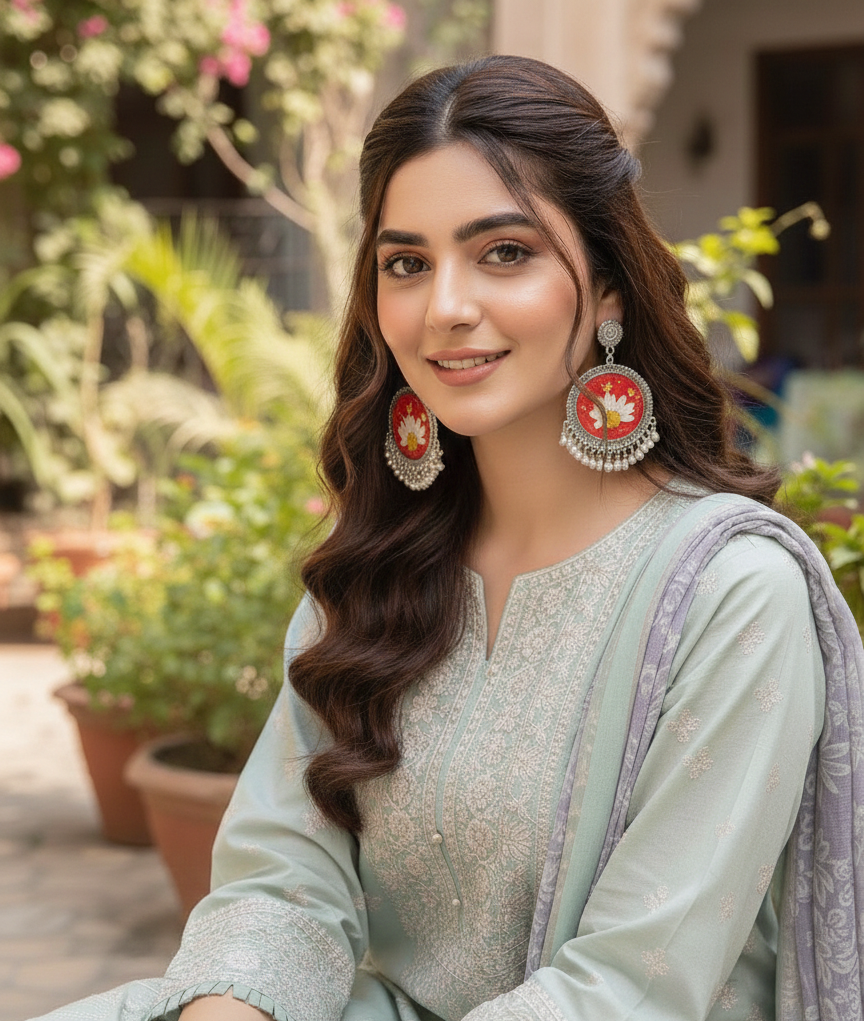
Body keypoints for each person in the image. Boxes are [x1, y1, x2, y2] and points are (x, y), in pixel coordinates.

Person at [35, 55, 864, 1021]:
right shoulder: (380, 566)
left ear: (607, 291)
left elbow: (636, 985)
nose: (445, 308)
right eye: (407, 262)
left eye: (504, 252)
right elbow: (283, 875)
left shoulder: (732, 592)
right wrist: (231, 1008)